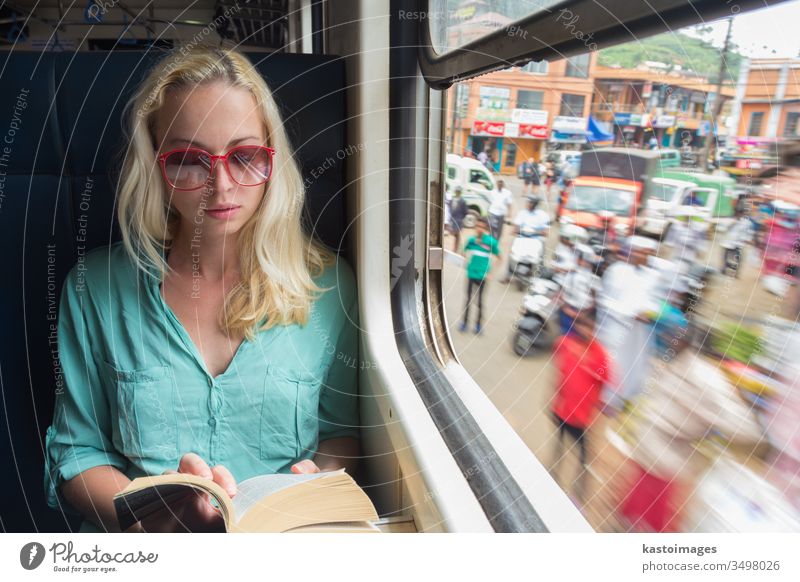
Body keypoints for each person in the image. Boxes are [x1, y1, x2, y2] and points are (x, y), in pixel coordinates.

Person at [43, 47, 361, 533]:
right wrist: (151, 522)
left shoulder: (330, 287)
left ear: (272, 159)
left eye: (246, 156)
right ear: (154, 164)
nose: (221, 186)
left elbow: (341, 432)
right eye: (188, 161)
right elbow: (77, 452)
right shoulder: (94, 292)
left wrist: (315, 485)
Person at [619, 334, 762, 532]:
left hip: (651, 436)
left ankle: (629, 526)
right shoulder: (709, 377)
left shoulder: (686, 363)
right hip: (664, 449)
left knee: (641, 498)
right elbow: (744, 427)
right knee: (653, 509)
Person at [550, 311, 611, 502]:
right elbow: (558, 368)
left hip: (581, 419)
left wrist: (598, 409)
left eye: (588, 326)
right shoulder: (566, 344)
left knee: (583, 459)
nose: (584, 330)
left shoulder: (599, 355)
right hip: (562, 411)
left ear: (594, 329)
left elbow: (605, 382)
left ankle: (578, 496)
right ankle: (552, 480)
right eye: (581, 325)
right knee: (559, 448)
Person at [596, 236, 660, 414]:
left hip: (638, 334)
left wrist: (649, 312)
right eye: (640, 252)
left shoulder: (652, 276)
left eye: (647, 254)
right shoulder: (617, 271)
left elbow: (654, 301)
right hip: (617, 329)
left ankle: (626, 397)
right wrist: (630, 313)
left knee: (636, 364)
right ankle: (607, 400)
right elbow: (605, 300)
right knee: (614, 364)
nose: (644, 257)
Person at [459, 217, 500, 335]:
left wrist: (491, 273)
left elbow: (500, 257)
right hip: (471, 274)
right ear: (475, 227)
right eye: (478, 226)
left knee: (480, 301)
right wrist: (465, 260)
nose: (480, 229)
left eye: (482, 227)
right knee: (468, 299)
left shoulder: (491, 242)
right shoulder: (471, 240)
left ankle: (478, 325)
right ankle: (464, 323)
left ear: (486, 229)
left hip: (483, 276)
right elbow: (463, 252)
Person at [499, 195, 550, 284]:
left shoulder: (542, 215)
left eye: (529, 202)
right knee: (512, 254)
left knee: (541, 255)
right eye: (527, 202)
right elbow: (516, 226)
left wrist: (537, 232)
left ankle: (540, 277)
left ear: (535, 204)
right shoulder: (522, 213)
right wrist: (514, 231)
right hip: (522, 237)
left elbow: (545, 231)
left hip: (536, 239)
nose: (527, 204)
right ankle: (508, 275)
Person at [559, 244, 602, 334]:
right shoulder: (570, 274)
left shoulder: (593, 278)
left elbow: (595, 300)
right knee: (566, 337)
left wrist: (583, 315)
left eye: (581, 258)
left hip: (584, 315)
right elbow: (562, 293)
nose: (578, 260)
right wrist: (568, 310)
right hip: (568, 312)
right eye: (578, 257)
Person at [720, 206, 754, 277]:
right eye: (737, 213)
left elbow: (748, 232)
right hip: (728, 242)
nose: (739, 214)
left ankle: (736, 272)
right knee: (725, 256)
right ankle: (724, 269)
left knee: (739, 259)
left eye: (740, 213)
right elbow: (722, 228)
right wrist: (732, 223)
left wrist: (747, 240)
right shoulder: (730, 220)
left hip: (738, 243)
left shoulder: (747, 223)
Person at [448, 185, 468, 253]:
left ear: (460, 193)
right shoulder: (452, 199)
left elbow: (465, 212)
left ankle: (456, 248)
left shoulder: (463, 201)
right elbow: (450, 209)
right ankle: (455, 247)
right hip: (452, 220)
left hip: (459, 220)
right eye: (456, 191)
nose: (457, 193)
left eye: (459, 192)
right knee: (452, 233)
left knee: (457, 235)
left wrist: (461, 218)